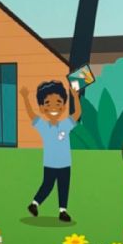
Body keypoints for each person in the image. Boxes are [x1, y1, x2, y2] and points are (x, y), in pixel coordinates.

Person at [24, 79, 81, 223]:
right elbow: (31, 114)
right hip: (50, 164)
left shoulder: (66, 124)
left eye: (58, 103)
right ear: (42, 107)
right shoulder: (43, 126)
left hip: (65, 164)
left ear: (64, 105)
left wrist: (75, 96)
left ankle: (63, 211)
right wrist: (25, 98)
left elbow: (77, 113)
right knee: (47, 185)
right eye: (48, 104)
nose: (53, 107)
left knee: (63, 186)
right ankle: (34, 204)